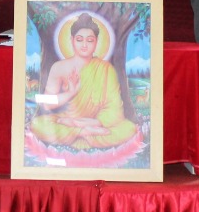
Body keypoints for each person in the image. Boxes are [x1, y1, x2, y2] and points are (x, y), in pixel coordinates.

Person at [29, 13, 140, 152]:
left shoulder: (106, 69)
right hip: (69, 120)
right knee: (37, 124)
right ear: (72, 40)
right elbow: (47, 103)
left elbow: (115, 108)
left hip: (93, 123)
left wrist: (94, 122)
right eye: (79, 40)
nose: (84, 45)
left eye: (90, 40)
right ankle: (83, 133)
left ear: (96, 42)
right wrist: (71, 93)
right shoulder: (59, 67)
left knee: (129, 128)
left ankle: (79, 131)